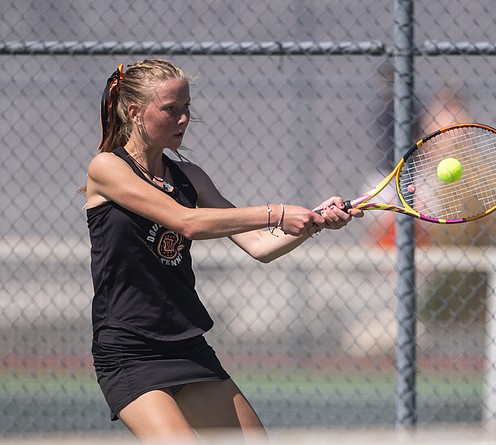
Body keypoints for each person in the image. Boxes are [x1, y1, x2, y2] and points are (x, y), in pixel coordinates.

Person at [83, 59, 362, 443]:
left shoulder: (190, 177)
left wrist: (312, 223)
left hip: (185, 343)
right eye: (170, 109)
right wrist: (277, 212)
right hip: (129, 349)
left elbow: (260, 246)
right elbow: (187, 222)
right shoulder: (107, 169)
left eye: (187, 108)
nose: (183, 119)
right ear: (134, 112)